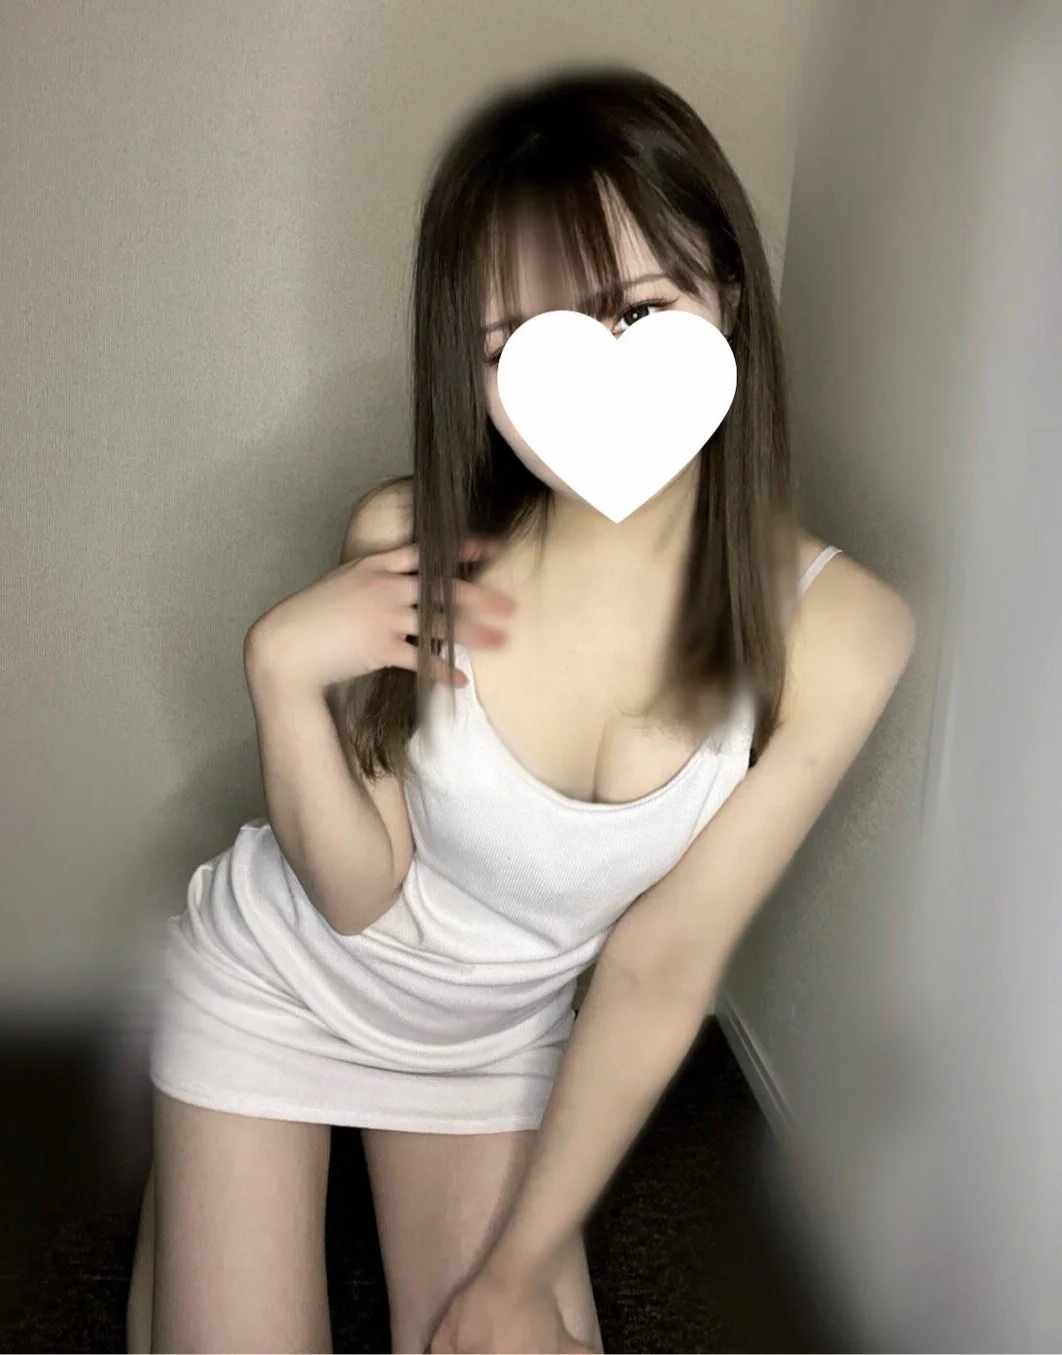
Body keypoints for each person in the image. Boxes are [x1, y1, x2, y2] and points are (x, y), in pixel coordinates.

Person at [126, 64, 915, 1354]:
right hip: (280, 978)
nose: (588, 389)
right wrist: (279, 673)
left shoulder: (841, 626)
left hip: (494, 1045)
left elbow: (660, 965)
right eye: (514, 347)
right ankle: (209, 1141)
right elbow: (357, 895)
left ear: (729, 296)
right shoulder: (410, 540)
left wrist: (519, 1266)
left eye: (639, 310)